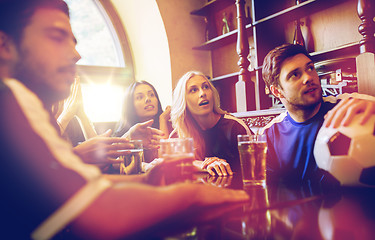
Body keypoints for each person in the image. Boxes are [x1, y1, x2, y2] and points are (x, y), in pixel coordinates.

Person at [0, 1, 250, 239]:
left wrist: (145, 180)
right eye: (56, 36)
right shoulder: (12, 99)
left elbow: (67, 188)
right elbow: (104, 213)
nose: (76, 54)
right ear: (4, 45)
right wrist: (193, 195)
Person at [261, 43, 375, 185]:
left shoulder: (354, 106)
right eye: (295, 75)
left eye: (310, 68)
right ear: (277, 91)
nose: (308, 77)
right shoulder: (269, 135)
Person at [170, 71, 253, 176]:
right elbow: (170, 165)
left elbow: (257, 168)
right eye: (194, 90)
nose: (202, 93)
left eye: (205, 87)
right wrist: (202, 164)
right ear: (183, 100)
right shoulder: (178, 134)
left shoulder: (235, 127)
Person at [113, 80, 172, 162]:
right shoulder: (126, 134)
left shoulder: (169, 124)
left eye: (151, 95)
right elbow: (113, 162)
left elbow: (167, 159)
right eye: (139, 97)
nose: (148, 99)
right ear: (131, 107)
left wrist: (162, 120)